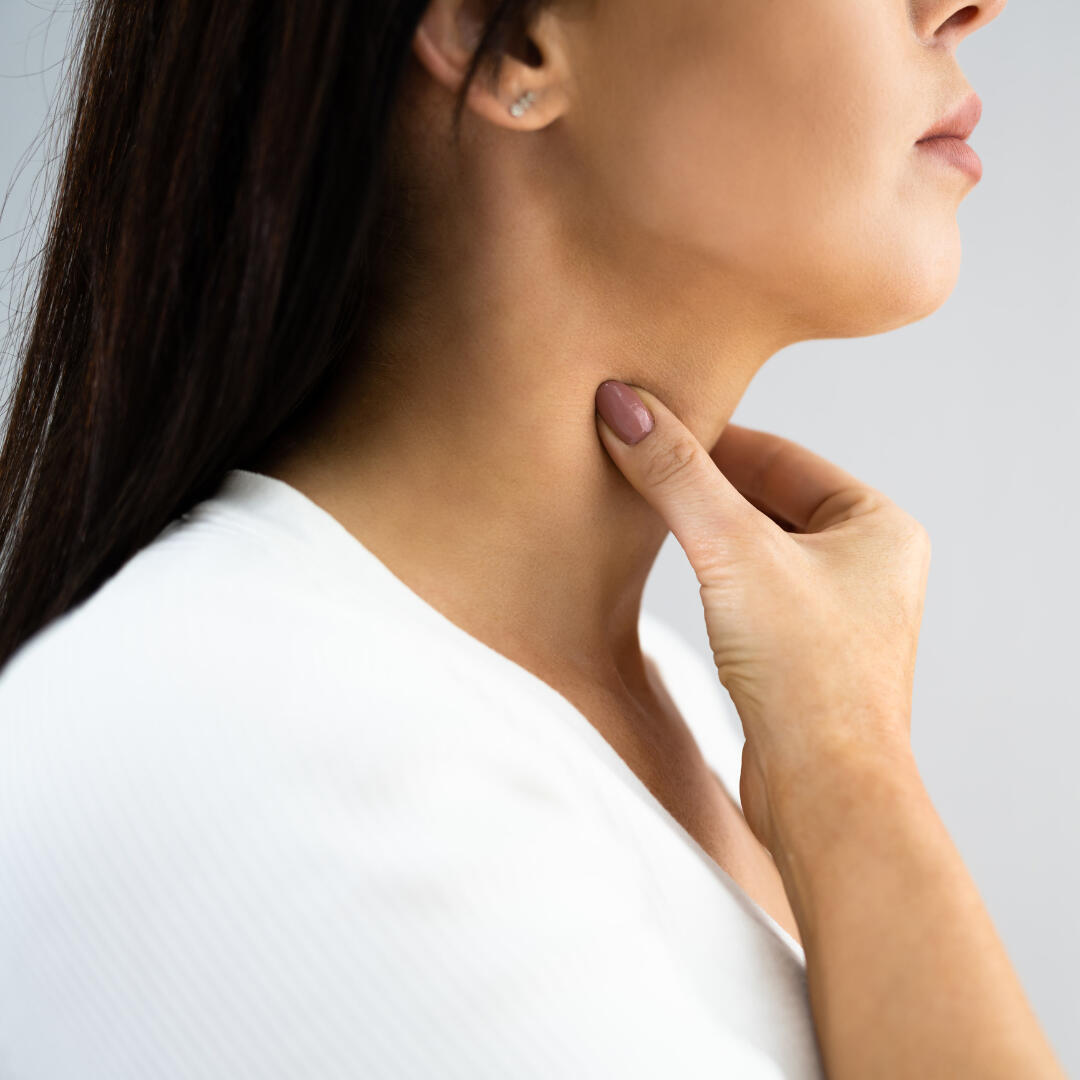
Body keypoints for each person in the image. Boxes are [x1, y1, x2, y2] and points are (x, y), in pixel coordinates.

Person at [0, 0, 1066, 1077]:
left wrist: (847, 764)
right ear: (500, 36)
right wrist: (853, 771)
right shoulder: (265, 753)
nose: (973, 5)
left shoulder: (680, 710)